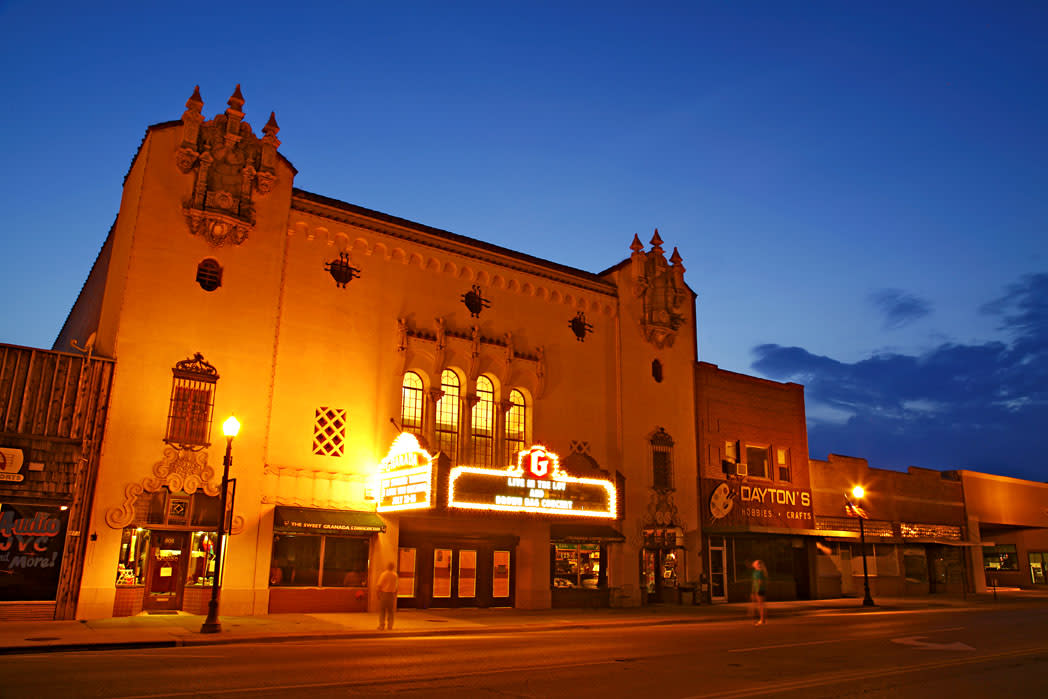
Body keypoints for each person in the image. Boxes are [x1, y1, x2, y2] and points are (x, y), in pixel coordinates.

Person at [376, 562, 399, 630]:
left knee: (382, 610)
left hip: (384, 594)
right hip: (391, 594)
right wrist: (395, 595)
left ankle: (382, 625)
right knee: (391, 611)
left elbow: (379, 585)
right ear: (393, 567)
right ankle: (390, 626)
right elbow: (396, 587)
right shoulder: (395, 575)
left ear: (387, 566)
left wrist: (378, 594)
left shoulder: (384, 574)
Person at [750, 559, 767, 625]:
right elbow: (754, 582)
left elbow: (759, 582)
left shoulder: (759, 572)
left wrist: (756, 591)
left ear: (758, 565)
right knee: (760, 605)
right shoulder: (755, 571)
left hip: (759, 590)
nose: (753, 563)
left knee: (761, 605)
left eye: (755, 562)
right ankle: (762, 619)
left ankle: (762, 620)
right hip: (757, 590)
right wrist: (752, 591)